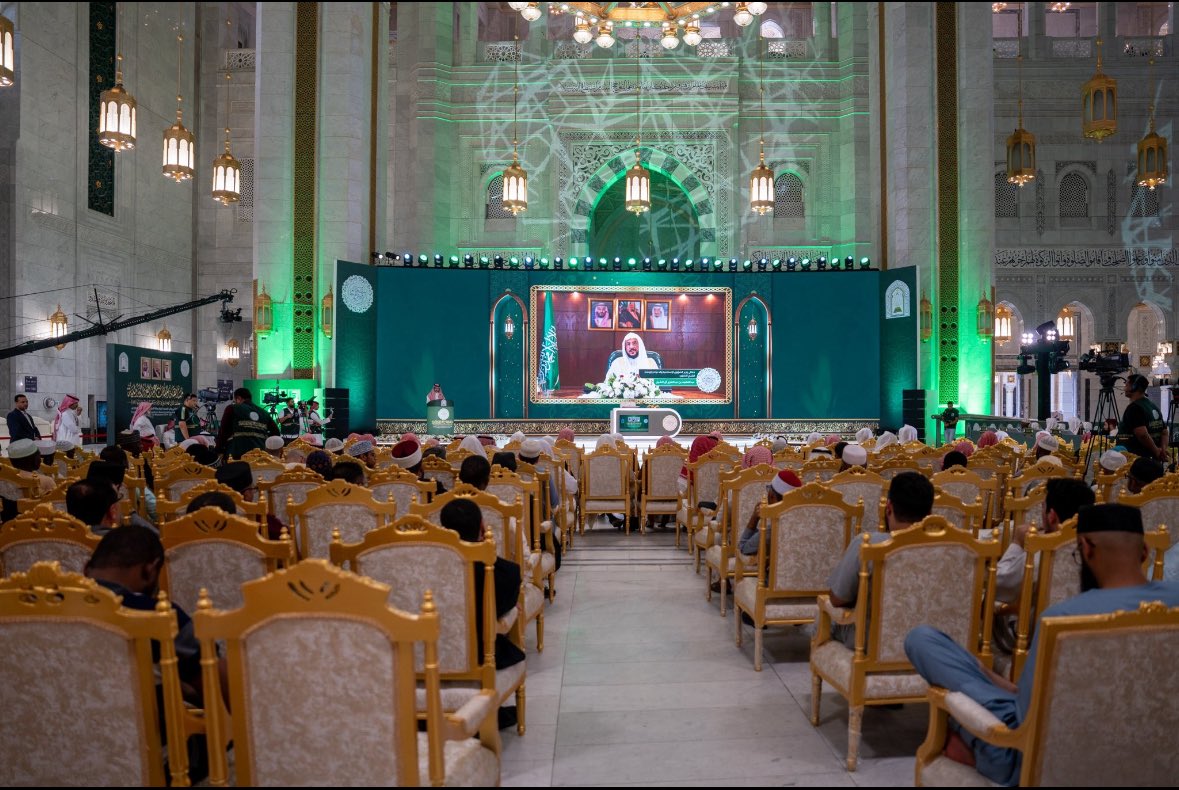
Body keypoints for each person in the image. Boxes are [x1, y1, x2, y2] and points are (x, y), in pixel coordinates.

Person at [904, 503, 1179, 786]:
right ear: (1144, 552)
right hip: (1152, 750)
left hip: (1042, 754)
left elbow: (1025, 720)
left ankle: (981, 746)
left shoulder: (1064, 619)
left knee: (923, 639)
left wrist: (983, 677)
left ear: (1086, 549)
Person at [438, 498, 525, 730]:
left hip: (429, 656)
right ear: (482, 528)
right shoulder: (504, 574)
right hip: (478, 656)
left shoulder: (425, 567)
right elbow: (506, 605)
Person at [827, 471, 935, 647]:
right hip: (930, 644)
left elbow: (837, 599)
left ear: (889, 508)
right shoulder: (952, 550)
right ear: (930, 513)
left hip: (874, 643)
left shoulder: (868, 543)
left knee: (824, 619)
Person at [994, 478, 1095, 606]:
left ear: (1052, 516)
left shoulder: (1037, 559)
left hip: (1038, 624)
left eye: (1043, 507)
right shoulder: (1099, 555)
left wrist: (1017, 544)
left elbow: (997, 585)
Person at [737, 469, 803, 557]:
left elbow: (742, 548)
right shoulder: (806, 523)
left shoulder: (772, 530)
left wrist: (754, 518)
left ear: (771, 495)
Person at [215, 388, 281, 459]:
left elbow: (224, 432)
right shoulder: (264, 413)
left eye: (235, 400)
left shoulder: (232, 408)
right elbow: (276, 433)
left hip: (237, 454)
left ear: (238, 398)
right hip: (260, 455)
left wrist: (218, 450)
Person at [1117, 373, 1168, 461]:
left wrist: (1156, 451)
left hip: (1137, 460)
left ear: (1135, 387)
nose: (1124, 388)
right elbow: (1164, 432)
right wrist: (1162, 450)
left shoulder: (1135, 408)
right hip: (1152, 459)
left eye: (1127, 384)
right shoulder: (1153, 406)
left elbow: (1142, 434)